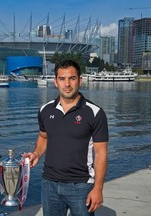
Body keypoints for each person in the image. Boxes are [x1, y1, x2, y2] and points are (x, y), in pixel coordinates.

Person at [24, 60, 108, 216]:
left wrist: (98, 189)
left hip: (81, 186)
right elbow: (43, 138)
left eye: (72, 78)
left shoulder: (95, 113)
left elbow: (101, 153)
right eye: (62, 79)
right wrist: (36, 153)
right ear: (55, 82)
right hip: (49, 184)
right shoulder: (45, 110)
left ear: (80, 80)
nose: (67, 84)